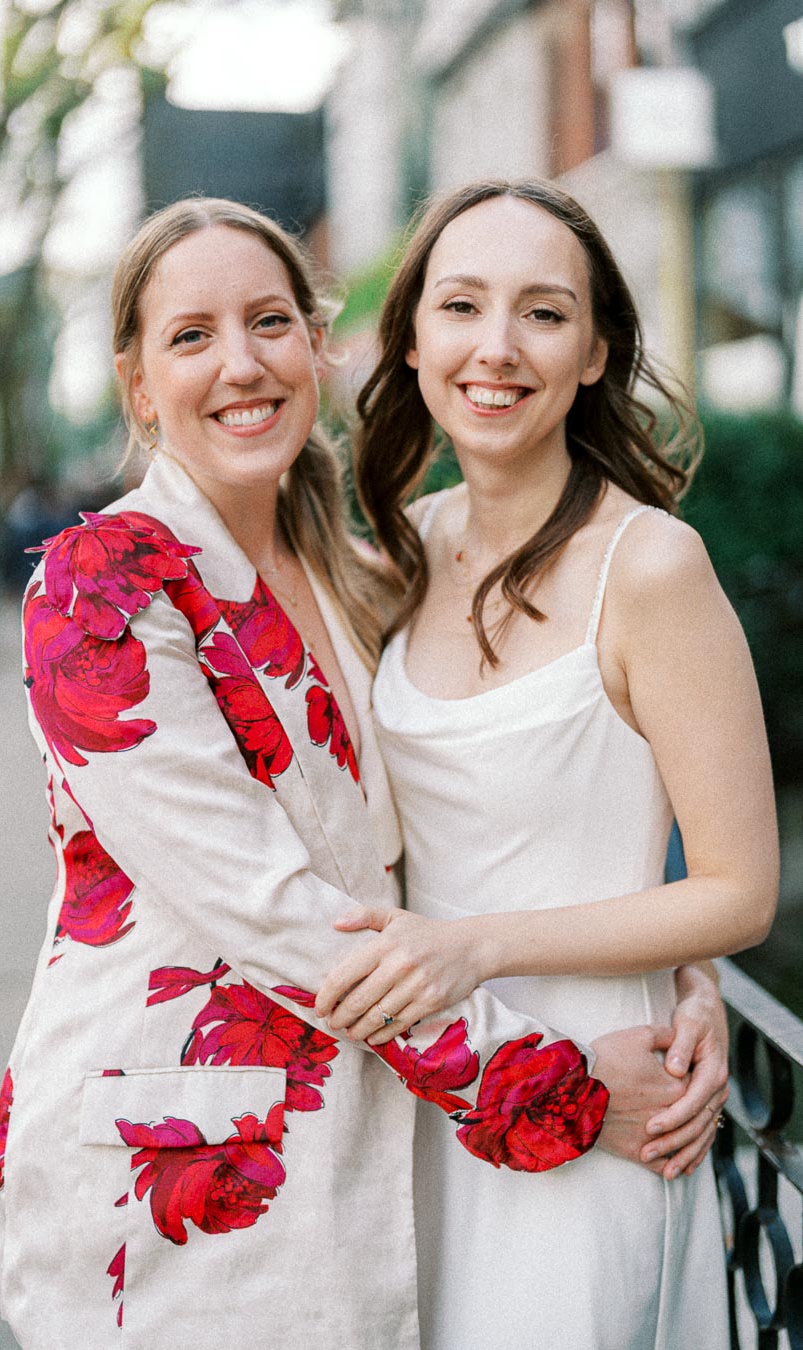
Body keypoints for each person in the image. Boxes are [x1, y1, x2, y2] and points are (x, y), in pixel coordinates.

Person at [0, 195, 639, 1350]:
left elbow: (498, 806)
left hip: (363, 1138)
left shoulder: (361, 568)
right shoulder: (100, 592)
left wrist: (668, 966)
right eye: (192, 337)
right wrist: (566, 1095)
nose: (241, 364)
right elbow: (275, 913)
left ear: (316, 343)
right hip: (176, 1171)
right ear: (139, 384)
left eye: (270, 321)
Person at [316, 179, 779, 1349]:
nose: (497, 348)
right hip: (440, 1090)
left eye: (544, 313)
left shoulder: (653, 567)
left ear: (595, 352)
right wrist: (689, 976)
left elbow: (740, 888)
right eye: (462, 306)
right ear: (413, 341)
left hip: (607, 1101)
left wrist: (490, 949)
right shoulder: (404, 550)